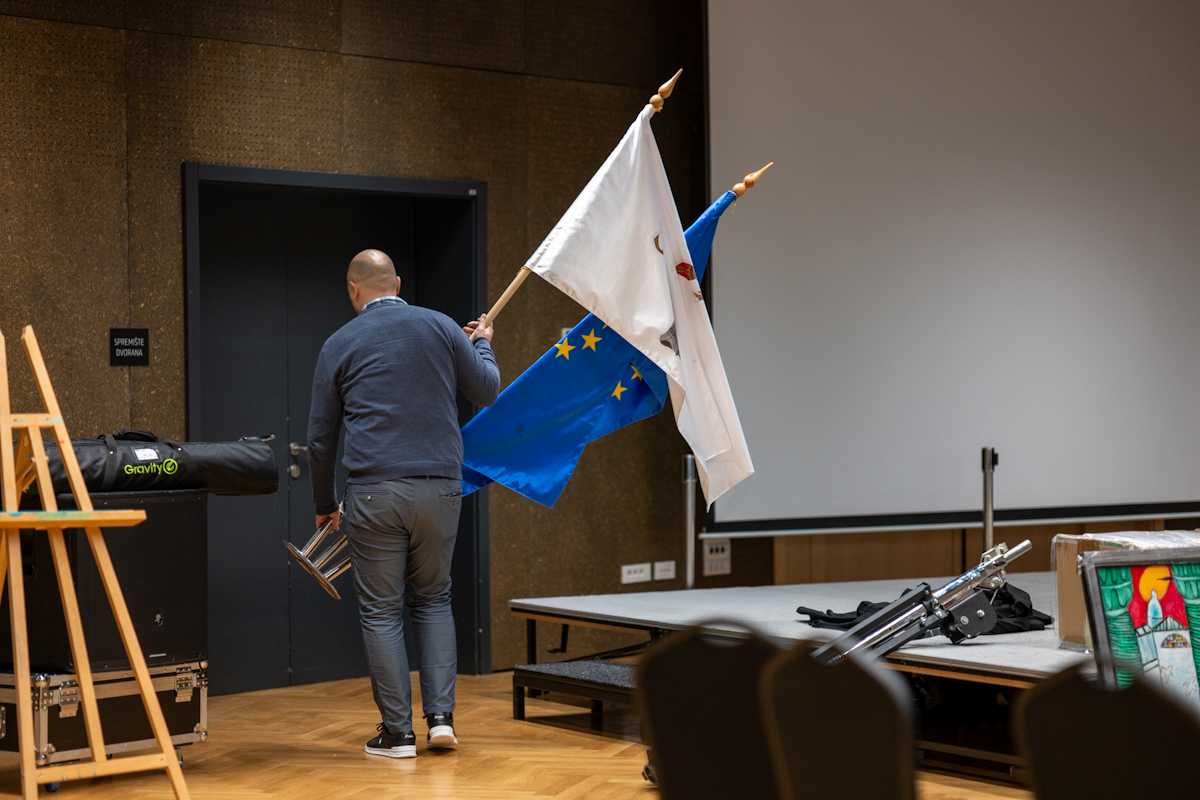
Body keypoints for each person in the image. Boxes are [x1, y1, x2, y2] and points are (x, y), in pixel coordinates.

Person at [307, 248, 500, 759]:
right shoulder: (442, 327)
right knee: (434, 599)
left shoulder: (339, 342)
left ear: (354, 289)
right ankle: (441, 720)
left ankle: (397, 735)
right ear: (398, 283)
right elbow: (486, 390)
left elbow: (320, 439)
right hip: (440, 487)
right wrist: (483, 344)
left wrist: (324, 501)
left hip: (374, 491)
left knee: (381, 612)